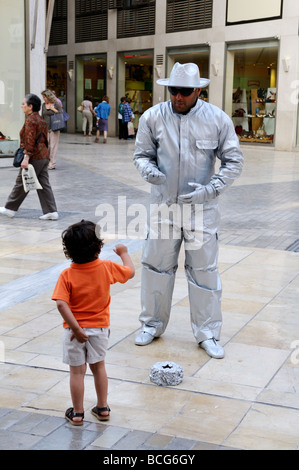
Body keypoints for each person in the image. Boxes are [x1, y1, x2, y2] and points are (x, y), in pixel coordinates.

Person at [133, 63, 244, 359]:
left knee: (204, 272)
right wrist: (150, 171)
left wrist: (212, 190)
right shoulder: (153, 117)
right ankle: (151, 324)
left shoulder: (217, 120)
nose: (177, 97)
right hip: (163, 207)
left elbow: (234, 161)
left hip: (201, 211)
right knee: (156, 267)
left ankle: (207, 332)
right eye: (173, 90)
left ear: (198, 90)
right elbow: (141, 155)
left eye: (184, 91)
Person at [52, 220, 135, 425]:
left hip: (74, 333)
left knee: (77, 372)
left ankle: (78, 413)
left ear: (68, 251)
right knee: (98, 367)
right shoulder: (106, 268)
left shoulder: (67, 275)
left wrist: (77, 329)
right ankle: (103, 408)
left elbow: (61, 305)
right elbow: (130, 272)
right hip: (99, 329)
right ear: (99, 247)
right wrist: (124, 253)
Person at [0, 94, 58, 220]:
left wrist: (26, 157)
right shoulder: (40, 119)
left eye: (23, 104)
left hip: (34, 156)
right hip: (43, 155)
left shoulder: (31, 120)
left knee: (21, 182)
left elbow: (30, 140)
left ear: (30, 106)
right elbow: (45, 138)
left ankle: (10, 208)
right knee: (43, 184)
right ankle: (51, 211)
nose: (21, 106)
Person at [41, 89, 63, 170]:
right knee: (46, 146)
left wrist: (53, 109)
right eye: (43, 97)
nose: (43, 98)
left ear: (48, 96)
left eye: (44, 97)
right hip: (45, 128)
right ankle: (47, 162)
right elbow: (42, 116)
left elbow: (61, 114)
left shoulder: (56, 104)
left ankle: (52, 163)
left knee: (53, 146)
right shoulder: (43, 105)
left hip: (54, 128)